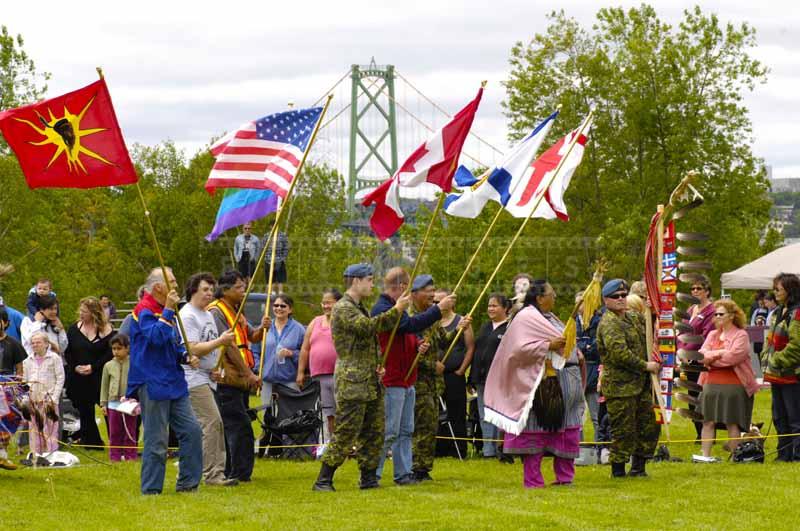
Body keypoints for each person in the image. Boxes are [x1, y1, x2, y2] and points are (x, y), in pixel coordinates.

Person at [312, 263, 410, 492]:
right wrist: (396, 310)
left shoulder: (359, 307)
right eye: (369, 280)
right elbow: (367, 328)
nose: (372, 284)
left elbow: (366, 342)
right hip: (353, 380)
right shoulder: (343, 308)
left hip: (369, 379)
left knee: (373, 431)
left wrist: (377, 364)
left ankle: (368, 478)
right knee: (346, 431)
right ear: (356, 281)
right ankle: (323, 480)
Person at [498, 280, 585, 488]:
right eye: (551, 294)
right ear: (539, 298)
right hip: (540, 385)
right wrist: (547, 345)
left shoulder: (552, 317)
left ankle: (565, 478)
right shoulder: (524, 319)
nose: (555, 297)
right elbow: (516, 349)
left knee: (567, 429)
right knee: (534, 431)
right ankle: (533, 480)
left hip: (566, 382)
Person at [126, 267, 203, 495]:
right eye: (172, 281)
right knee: (157, 438)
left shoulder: (167, 311)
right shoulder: (143, 310)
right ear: (159, 287)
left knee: (192, 431)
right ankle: (151, 489)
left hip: (174, 382)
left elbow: (172, 343)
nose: (177, 285)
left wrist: (185, 355)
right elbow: (156, 338)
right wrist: (169, 309)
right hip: (152, 381)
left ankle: (188, 484)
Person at [371, 269, 449, 486]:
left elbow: (406, 334)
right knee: (389, 431)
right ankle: (371, 473)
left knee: (406, 430)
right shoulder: (384, 308)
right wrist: (438, 310)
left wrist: (416, 344)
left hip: (407, 379)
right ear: (403, 286)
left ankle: (403, 473)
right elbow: (408, 326)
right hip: (393, 378)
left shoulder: (399, 307)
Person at [207, 270, 269, 483]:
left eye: (244, 287)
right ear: (225, 290)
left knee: (238, 424)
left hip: (240, 381)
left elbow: (252, 335)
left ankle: (236, 470)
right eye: (239, 287)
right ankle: (237, 472)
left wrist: (262, 328)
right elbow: (229, 346)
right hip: (227, 379)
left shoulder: (237, 311)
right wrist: (248, 373)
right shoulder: (216, 312)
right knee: (238, 425)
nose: (244, 291)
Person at [596, 279, 661, 478]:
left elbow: (649, 328)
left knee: (648, 425)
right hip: (620, 386)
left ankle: (639, 467)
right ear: (606, 300)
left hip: (641, 384)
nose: (621, 299)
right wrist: (645, 365)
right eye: (615, 296)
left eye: (624, 295)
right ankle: (618, 470)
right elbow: (619, 354)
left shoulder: (633, 317)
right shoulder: (609, 323)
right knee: (623, 430)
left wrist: (653, 311)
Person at [179, 272, 239, 486]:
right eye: (205, 289)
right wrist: (221, 341)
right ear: (193, 290)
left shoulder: (207, 314)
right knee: (212, 422)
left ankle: (212, 472)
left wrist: (215, 368)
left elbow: (210, 347)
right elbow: (192, 348)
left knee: (212, 424)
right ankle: (212, 474)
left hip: (207, 376)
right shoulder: (188, 315)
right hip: (192, 377)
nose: (209, 293)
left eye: (212, 290)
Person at [408, 275, 467, 481]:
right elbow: (408, 353)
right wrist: (431, 365)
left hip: (432, 383)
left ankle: (424, 468)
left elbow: (442, 340)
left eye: (434, 292)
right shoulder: (410, 318)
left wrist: (459, 329)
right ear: (415, 293)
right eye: (428, 292)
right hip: (416, 381)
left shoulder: (432, 316)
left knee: (430, 425)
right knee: (418, 425)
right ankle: (414, 467)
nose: (432, 296)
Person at [695, 299, 758, 461]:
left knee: (732, 422)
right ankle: (705, 455)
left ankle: (736, 456)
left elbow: (733, 358)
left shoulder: (741, 335)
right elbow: (701, 355)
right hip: (709, 384)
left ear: (731, 316)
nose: (717, 317)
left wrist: (711, 358)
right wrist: (720, 352)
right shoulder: (712, 334)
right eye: (715, 314)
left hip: (734, 385)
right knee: (707, 421)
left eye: (721, 314)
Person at [65, 297, 115, 449]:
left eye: (85, 312)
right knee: (85, 410)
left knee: (107, 409)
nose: (81, 314)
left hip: (100, 376)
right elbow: (68, 352)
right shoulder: (73, 329)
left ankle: (116, 440)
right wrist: (75, 367)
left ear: (94, 313)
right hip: (79, 377)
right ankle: (92, 441)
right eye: (80, 311)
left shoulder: (107, 330)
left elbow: (109, 353)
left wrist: (93, 367)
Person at [762, 273, 800, 461]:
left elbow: (797, 346)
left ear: (790, 290)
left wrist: (776, 360)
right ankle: (783, 454)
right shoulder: (778, 311)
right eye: (774, 289)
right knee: (779, 416)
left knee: (795, 418)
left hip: (792, 375)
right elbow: (770, 340)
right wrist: (765, 357)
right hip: (776, 374)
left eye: (778, 289)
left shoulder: (797, 313)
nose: (775, 293)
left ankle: (797, 455)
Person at [469, 293, 510, 459]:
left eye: (494, 306)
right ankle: (488, 450)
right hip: (481, 379)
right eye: (489, 306)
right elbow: (477, 352)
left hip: (500, 380)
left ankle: (502, 448)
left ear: (505, 308)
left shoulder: (510, 328)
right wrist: (471, 378)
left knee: (498, 415)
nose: (490, 309)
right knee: (484, 414)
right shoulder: (485, 327)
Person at [297, 289, 342, 440]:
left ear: (338, 303)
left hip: (339, 375)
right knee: (328, 413)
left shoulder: (343, 321)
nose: (325, 306)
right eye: (323, 303)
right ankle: (329, 443)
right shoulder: (315, 322)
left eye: (329, 303)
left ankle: (345, 444)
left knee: (343, 412)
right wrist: (300, 372)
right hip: (318, 377)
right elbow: (305, 348)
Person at [434, 287, 474, 459]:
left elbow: (470, 347)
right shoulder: (432, 321)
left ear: (451, 302)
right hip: (435, 375)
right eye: (434, 301)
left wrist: (461, 370)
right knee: (436, 411)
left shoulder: (462, 321)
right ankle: (439, 449)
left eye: (439, 301)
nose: (436, 304)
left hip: (454, 375)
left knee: (456, 411)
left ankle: (459, 449)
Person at [676, 274, 715, 440]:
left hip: (701, 360)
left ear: (707, 291)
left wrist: (688, 352)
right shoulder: (691, 309)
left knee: (702, 397)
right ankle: (699, 431)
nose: (695, 291)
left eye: (699, 288)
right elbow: (681, 331)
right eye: (692, 288)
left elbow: (705, 336)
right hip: (687, 361)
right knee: (691, 397)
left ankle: (707, 432)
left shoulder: (712, 311)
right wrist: (680, 351)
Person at [22, 331, 65, 456]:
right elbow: (25, 381)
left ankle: (51, 454)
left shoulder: (54, 358)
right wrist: (26, 399)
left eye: (38, 342)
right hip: (33, 400)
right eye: (33, 343)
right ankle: (36, 454)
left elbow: (60, 378)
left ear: (46, 344)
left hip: (49, 400)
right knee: (34, 429)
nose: (35, 345)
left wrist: (54, 398)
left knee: (50, 428)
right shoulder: (27, 361)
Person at [100, 334, 138, 462]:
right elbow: (104, 385)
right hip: (113, 403)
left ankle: (130, 456)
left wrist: (135, 398)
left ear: (127, 348)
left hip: (130, 403)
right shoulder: (108, 365)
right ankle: (114, 456)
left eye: (119, 348)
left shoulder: (134, 363)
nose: (116, 351)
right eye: (114, 348)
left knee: (130, 430)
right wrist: (103, 403)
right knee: (114, 431)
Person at [262, 293, 305, 403]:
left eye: (283, 306)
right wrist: (259, 369)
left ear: (290, 309)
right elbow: (256, 351)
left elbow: (305, 353)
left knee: (289, 413)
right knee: (267, 412)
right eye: (276, 305)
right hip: (267, 382)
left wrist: (292, 353)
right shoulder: (266, 327)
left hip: (289, 382)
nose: (279, 308)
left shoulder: (299, 329)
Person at [0, 308, 26, 469]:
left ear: (6, 323)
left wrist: (17, 382)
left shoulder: (14, 344)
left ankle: (2, 455)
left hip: (7, 387)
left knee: (10, 419)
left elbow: (20, 370)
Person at [576, 291, 604, 443]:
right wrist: (583, 346)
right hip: (578, 373)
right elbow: (571, 345)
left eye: (581, 302)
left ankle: (599, 445)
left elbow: (596, 346)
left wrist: (583, 347)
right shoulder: (574, 322)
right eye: (577, 302)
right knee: (577, 415)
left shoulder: (598, 321)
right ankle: (577, 447)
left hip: (593, 373)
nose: (577, 306)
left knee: (596, 415)